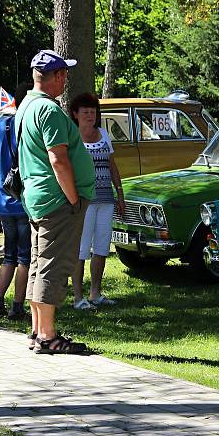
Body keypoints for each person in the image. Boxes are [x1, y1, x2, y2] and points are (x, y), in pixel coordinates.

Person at [16, 50, 95, 354]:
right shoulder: (48, 110)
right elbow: (58, 158)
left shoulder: (26, 106)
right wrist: (74, 198)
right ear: (59, 76)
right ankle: (48, 337)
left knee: (38, 263)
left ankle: (37, 331)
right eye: (65, 74)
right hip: (57, 200)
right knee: (54, 264)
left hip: (38, 198)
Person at [69, 92, 125, 310]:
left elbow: (112, 165)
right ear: (76, 114)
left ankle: (95, 293)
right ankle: (77, 297)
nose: (90, 115)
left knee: (102, 247)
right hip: (84, 200)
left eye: (93, 111)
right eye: (85, 112)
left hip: (106, 199)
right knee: (82, 249)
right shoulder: (72, 137)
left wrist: (119, 194)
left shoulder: (103, 133)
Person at [0, 82, 32, 322]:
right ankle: (17, 306)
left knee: (8, 256)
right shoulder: (24, 124)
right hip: (24, 200)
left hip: (4, 201)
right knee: (24, 257)